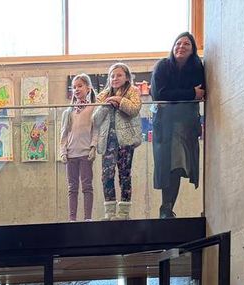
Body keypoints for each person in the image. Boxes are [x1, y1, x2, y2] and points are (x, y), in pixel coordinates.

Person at [151, 32, 205, 218]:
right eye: (178, 43)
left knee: (179, 165)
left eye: (186, 44)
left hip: (185, 126)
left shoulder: (197, 68)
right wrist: (190, 93)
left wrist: (183, 94)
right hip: (165, 128)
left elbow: (202, 93)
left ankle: (167, 207)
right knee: (169, 165)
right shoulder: (162, 67)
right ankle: (166, 208)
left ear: (193, 50)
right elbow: (160, 95)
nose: (181, 47)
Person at [93, 62, 143, 220]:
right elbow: (95, 119)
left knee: (124, 175)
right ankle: (109, 212)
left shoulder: (133, 91)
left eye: (119, 75)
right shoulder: (103, 95)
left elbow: (134, 109)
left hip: (125, 141)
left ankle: (123, 213)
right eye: (112, 75)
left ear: (127, 77)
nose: (115, 78)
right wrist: (107, 105)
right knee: (107, 175)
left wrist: (118, 100)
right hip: (108, 141)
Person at [59, 74, 97, 222]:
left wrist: (93, 146)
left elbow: (96, 129)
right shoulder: (68, 112)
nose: (76, 89)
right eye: (74, 87)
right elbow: (64, 133)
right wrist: (63, 151)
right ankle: (72, 218)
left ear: (88, 88)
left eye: (80, 86)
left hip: (85, 154)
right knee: (72, 188)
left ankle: (88, 218)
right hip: (71, 154)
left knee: (87, 186)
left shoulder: (93, 108)